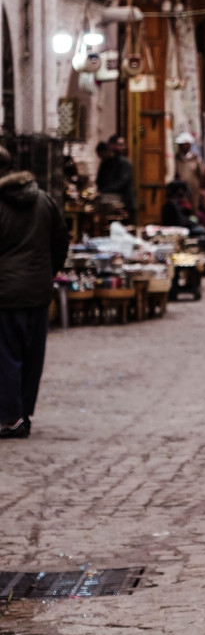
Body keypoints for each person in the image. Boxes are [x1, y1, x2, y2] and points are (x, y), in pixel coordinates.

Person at [0, 145, 69, 438]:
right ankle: (22, 413)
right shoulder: (43, 200)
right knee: (31, 355)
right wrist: (48, 271)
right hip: (38, 290)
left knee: (6, 356)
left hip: (4, 292)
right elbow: (61, 239)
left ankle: (11, 417)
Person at [96, 134, 136, 223]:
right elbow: (99, 181)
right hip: (110, 203)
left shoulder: (124, 163)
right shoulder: (105, 163)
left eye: (123, 145)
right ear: (111, 145)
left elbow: (122, 182)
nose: (124, 147)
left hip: (125, 203)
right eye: (120, 145)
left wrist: (105, 190)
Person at [174, 133, 202, 208]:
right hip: (179, 191)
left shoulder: (195, 159)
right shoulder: (176, 159)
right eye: (180, 145)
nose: (180, 147)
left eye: (183, 144)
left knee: (193, 209)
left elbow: (201, 174)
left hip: (193, 191)